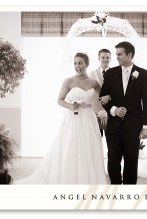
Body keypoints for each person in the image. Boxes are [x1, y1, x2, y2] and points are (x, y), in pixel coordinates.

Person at [14, 52, 107, 184]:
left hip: (89, 119)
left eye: (80, 63)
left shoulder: (93, 83)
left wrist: (103, 111)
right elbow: (59, 100)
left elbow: (105, 97)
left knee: (90, 147)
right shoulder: (69, 81)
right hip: (73, 120)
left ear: (86, 64)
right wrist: (72, 106)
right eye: (75, 63)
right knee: (71, 147)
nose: (77, 66)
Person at [99, 41, 147, 184]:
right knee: (112, 163)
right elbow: (102, 97)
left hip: (133, 126)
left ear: (129, 55)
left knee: (131, 163)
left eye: (119, 54)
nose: (116, 57)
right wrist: (114, 110)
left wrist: (146, 127)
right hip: (114, 127)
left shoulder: (143, 74)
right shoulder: (110, 73)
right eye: (116, 54)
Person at [88, 48, 111, 137]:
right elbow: (89, 95)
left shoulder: (116, 74)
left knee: (112, 143)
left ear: (110, 59)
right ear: (99, 58)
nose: (105, 60)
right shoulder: (91, 74)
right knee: (96, 143)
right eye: (103, 57)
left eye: (107, 57)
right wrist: (98, 111)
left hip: (111, 114)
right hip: (95, 114)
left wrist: (107, 111)